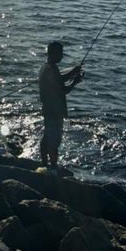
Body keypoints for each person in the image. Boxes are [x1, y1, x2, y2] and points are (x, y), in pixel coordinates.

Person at [38, 41, 83, 170]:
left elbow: (59, 79)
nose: (62, 56)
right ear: (54, 54)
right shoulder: (51, 69)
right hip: (54, 111)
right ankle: (53, 167)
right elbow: (62, 90)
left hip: (48, 109)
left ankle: (44, 163)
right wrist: (75, 81)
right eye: (60, 54)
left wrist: (74, 71)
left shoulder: (47, 67)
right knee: (54, 141)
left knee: (47, 137)